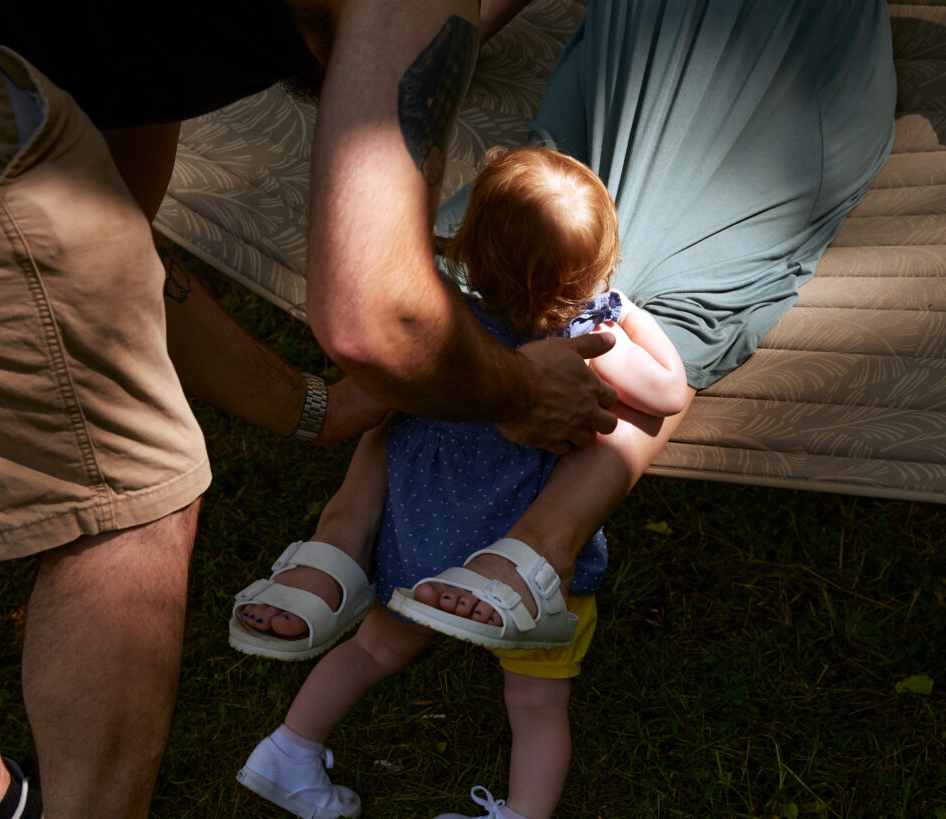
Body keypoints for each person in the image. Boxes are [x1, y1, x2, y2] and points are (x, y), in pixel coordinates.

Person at [0, 2, 617, 817]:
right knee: (129, 502)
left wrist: (309, 406)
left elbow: (119, 243)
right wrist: (524, 390)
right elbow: (376, 316)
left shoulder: (134, 43)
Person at [237, 0, 898, 657]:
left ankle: (540, 546)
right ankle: (345, 526)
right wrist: (421, 42)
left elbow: (660, 384)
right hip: (640, 40)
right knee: (512, 245)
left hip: (788, 52)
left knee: (665, 292)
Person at [232, 146, 687, 819]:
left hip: (423, 542)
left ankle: (289, 749)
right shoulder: (584, 336)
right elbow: (671, 391)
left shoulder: (446, 329)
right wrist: (624, 313)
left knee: (376, 645)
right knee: (535, 703)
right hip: (522, 571)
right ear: (586, 275)